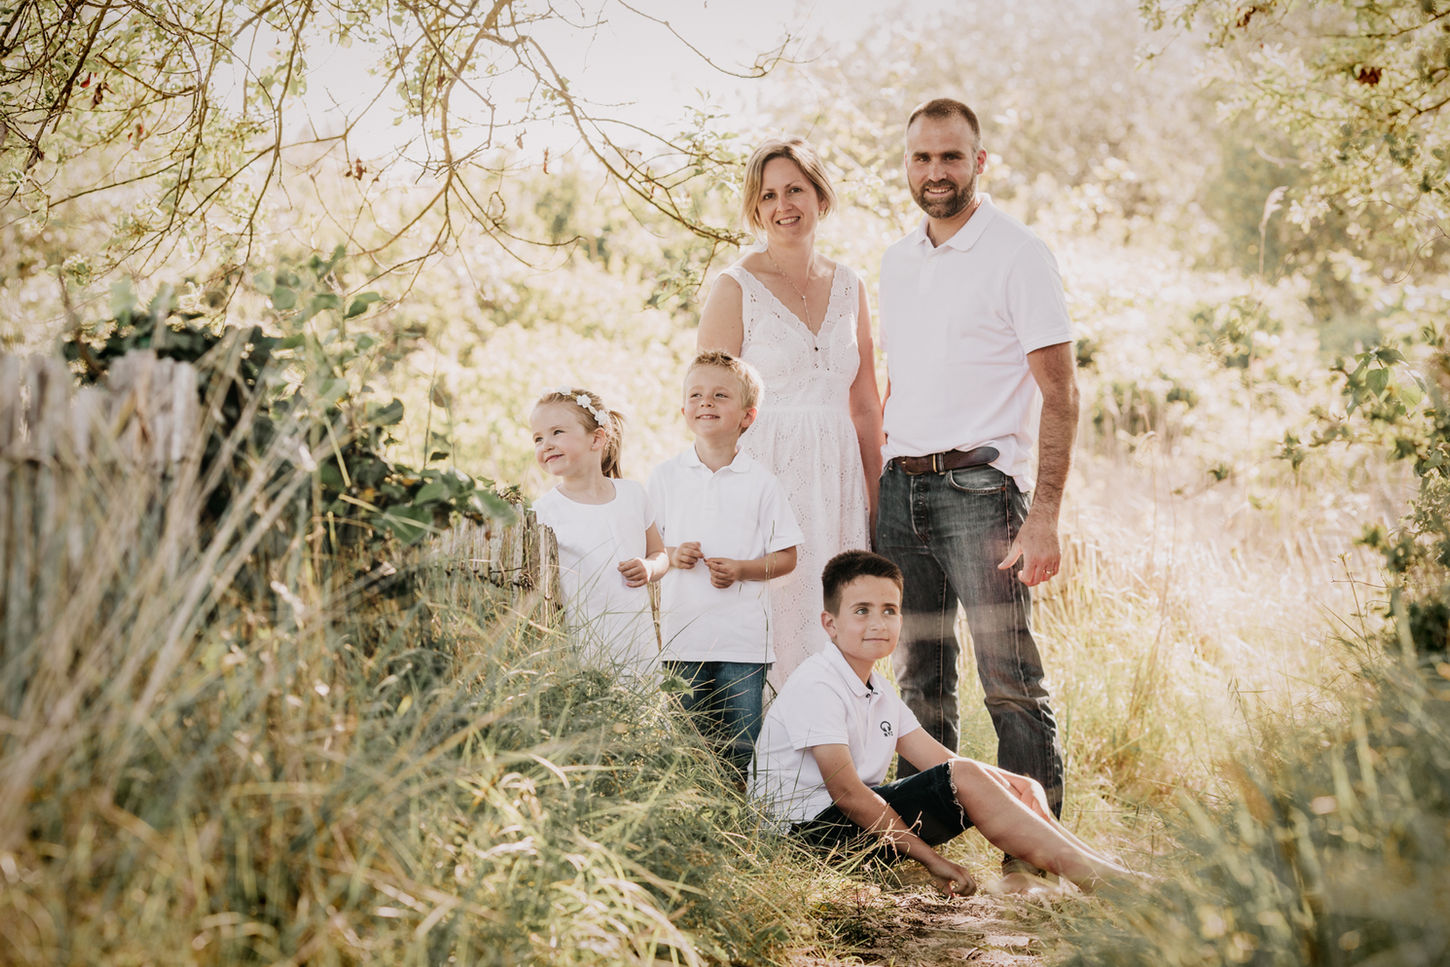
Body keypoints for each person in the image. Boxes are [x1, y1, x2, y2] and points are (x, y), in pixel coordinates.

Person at [875, 99, 1078, 839]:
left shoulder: (1018, 254)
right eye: (923, 158)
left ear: (979, 163)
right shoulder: (897, 262)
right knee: (918, 680)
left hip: (981, 492)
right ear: (906, 166)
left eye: (951, 157)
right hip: (901, 491)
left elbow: (1061, 392)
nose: (936, 172)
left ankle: (1035, 851)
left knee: (1010, 681)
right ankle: (928, 843)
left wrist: (1045, 512)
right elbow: (900, 383)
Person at [751, 551, 1130, 896]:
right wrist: (933, 860)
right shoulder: (817, 683)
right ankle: (1107, 883)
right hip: (800, 841)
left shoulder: (879, 690)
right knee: (962, 776)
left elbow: (940, 760)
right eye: (861, 611)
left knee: (972, 776)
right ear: (830, 623)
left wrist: (1018, 782)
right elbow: (847, 793)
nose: (878, 623)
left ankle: (1106, 877)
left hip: (850, 832)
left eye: (889, 610)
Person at [697, 137, 884, 689]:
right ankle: (769, 768)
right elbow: (709, 406)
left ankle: (838, 762)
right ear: (755, 209)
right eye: (769, 195)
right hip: (767, 474)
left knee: (842, 617)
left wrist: (878, 498)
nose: (784, 206)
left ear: (820, 196)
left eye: (796, 189)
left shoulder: (851, 284)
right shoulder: (735, 287)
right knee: (771, 627)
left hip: (840, 479)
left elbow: (866, 402)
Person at [647, 351, 804, 779]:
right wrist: (672, 555)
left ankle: (736, 828)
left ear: (748, 416)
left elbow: (788, 556)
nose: (706, 402)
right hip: (681, 645)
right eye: (696, 395)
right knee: (685, 749)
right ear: (683, 410)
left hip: (743, 646)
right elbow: (649, 550)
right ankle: (692, 829)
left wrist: (741, 569)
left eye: (720, 395)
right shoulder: (664, 477)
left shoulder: (762, 482)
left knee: (738, 751)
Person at [530, 387, 668, 679]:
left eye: (557, 432)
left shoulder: (633, 495)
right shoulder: (543, 512)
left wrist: (649, 567)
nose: (546, 444)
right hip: (583, 651)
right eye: (538, 438)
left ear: (597, 438)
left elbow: (660, 554)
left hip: (638, 644)